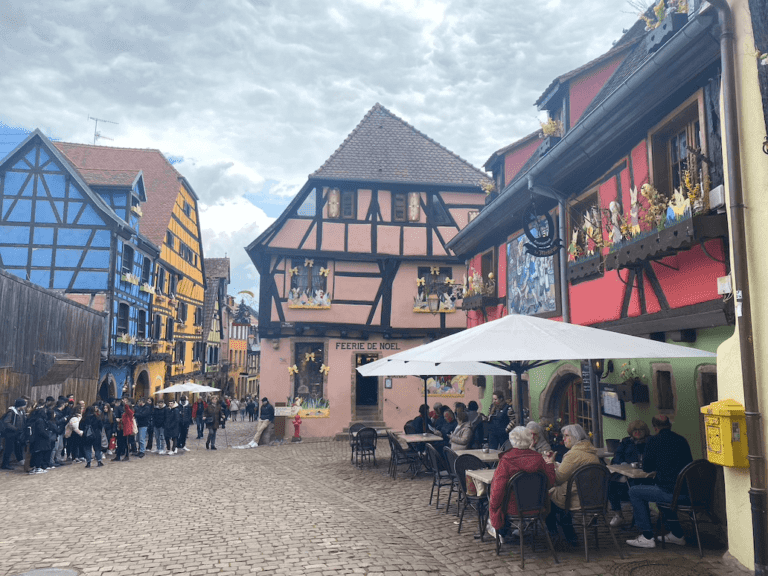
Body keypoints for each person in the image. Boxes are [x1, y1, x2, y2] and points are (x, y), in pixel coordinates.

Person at [625, 415, 693, 549]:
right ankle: (677, 533)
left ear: (655, 428)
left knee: (634, 492)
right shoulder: (682, 440)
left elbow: (647, 467)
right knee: (659, 492)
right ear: (670, 425)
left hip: (670, 492)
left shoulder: (654, 441)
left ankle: (647, 536)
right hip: (687, 491)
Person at [489, 426, 556, 536]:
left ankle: (503, 533)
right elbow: (550, 481)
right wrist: (549, 465)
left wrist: (494, 507)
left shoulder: (506, 460)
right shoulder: (538, 458)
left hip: (513, 507)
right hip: (538, 505)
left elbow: (498, 489)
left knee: (491, 499)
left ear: (512, 440)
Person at [544, 424, 599, 547]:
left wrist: (550, 464)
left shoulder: (573, 454)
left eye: (566, 436)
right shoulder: (591, 450)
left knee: (546, 497)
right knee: (559, 495)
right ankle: (569, 534)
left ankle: (555, 535)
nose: (564, 439)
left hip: (576, 497)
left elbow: (557, 479)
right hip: (593, 496)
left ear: (575, 436)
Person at [609, 420, 651, 527]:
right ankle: (618, 514)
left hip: (645, 474)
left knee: (635, 485)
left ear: (645, 431)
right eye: (634, 430)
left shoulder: (650, 441)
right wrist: (623, 464)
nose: (637, 433)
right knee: (610, 483)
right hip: (626, 472)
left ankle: (639, 515)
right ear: (630, 432)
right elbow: (617, 456)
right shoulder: (626, 442)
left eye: (640, 430)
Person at [1, 398, 27, 470]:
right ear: (20, 405)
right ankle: (5, 464)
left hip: (15, 434)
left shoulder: (20, 411)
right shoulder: (11, 412)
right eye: (23, 405)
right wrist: (15, 428)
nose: (24, 406)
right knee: (8, 449)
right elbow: (6, 423)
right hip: (10, 434)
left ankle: (7, 463)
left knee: (12, 448)